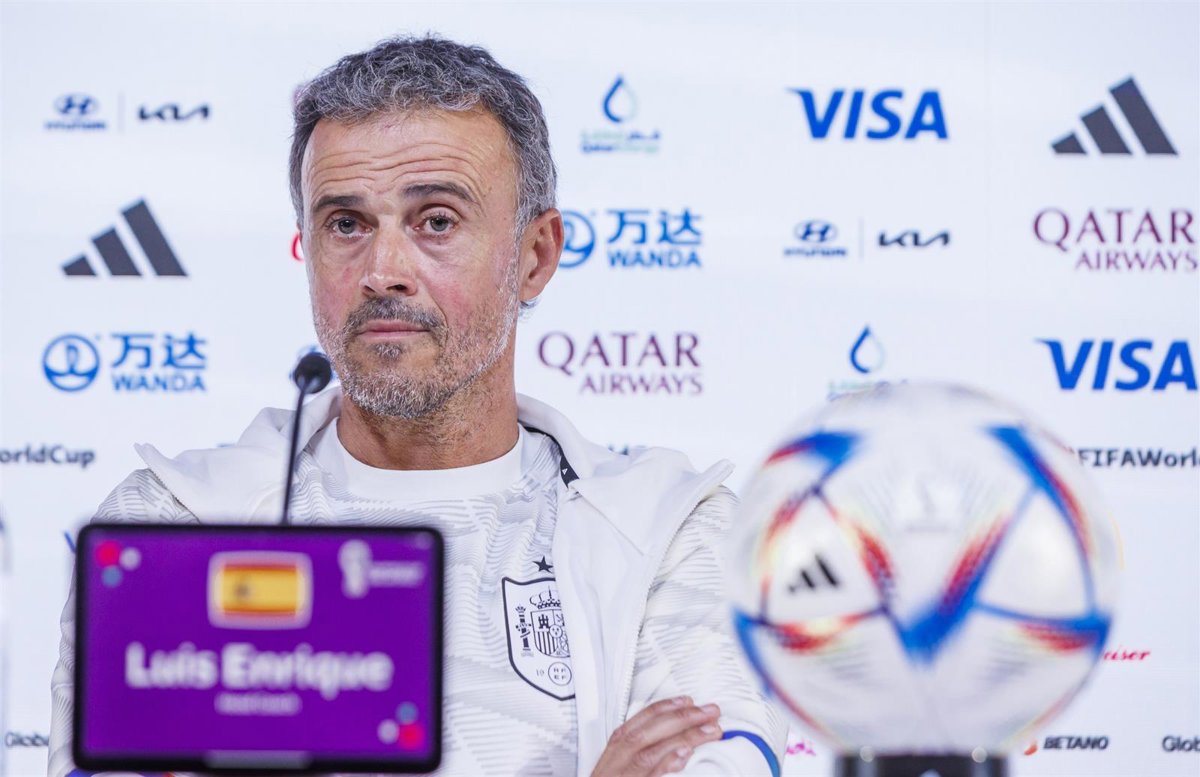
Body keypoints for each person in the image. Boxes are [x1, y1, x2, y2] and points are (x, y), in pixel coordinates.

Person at [49, 36, 785, 777]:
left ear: (534, 256)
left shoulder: (671, 527)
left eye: (436, 220)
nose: (383, 271)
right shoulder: (169, 529)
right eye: (346, 224)